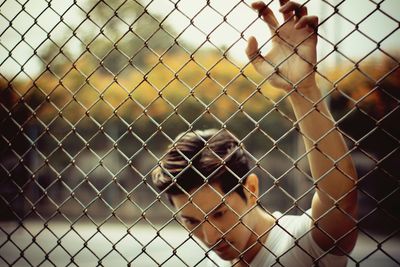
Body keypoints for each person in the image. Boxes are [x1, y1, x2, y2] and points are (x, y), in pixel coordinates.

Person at [152, 0, 358, 266]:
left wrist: (303, 89)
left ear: (250, 189)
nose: (210, 237)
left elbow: (341, 198)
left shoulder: (301, 244)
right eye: (191, 221)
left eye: (219, 213)